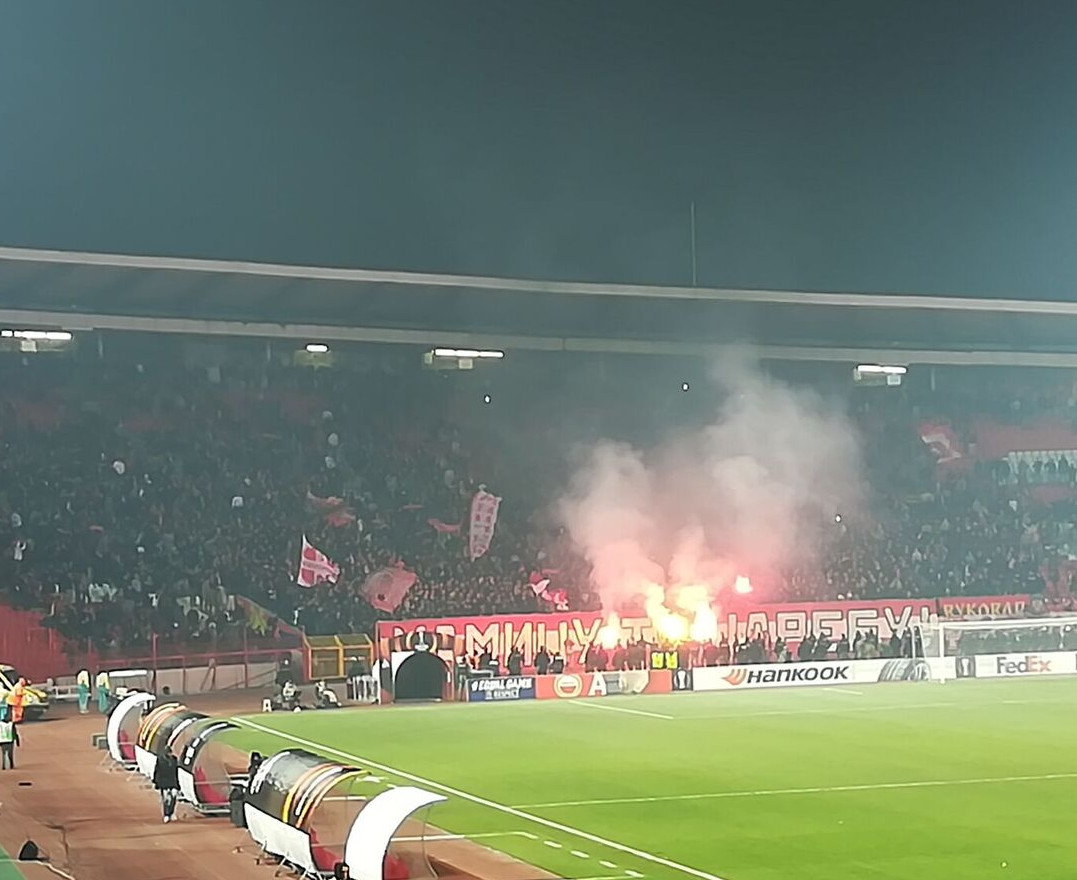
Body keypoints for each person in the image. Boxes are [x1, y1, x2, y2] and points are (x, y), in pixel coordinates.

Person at [153, 748, 181, 823]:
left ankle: (172, 813)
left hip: (173, 782)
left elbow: (176, 772)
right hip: (164, 782)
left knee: (173, 798)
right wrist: (156, 782)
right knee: (166, 799)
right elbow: (157, 771)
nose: (170, 754)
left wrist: (178, 783)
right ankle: (166, 814)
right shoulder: (160, 760)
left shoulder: (174, 760)